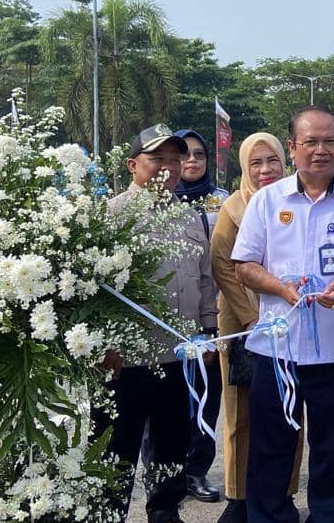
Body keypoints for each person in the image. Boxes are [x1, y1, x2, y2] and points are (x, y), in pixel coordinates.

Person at [231, 107, 334, 522]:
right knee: (271, 446)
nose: (321, 151)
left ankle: (326, 516)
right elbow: (244, 266)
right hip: (276, 349)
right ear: (293, 148)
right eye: (311, 142)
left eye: (330, 142)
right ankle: (269, 517)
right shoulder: (268, 200)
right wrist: (279, 289)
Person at [95, 123, 218, 523]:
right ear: (133, 165)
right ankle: (107, 514)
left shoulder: (190, 217)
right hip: (125, 361)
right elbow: (94, 291)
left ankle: (165, 512)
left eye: (174, 158)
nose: (168, 166)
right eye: (156, 158)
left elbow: (204, 278)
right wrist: (104, 345)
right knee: (117, 451)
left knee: (171, 447)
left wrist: (208, 332)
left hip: (178, 356)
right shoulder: (110, 216)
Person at [209, 132, 304, 523]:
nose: (266, 170)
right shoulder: (233, 209)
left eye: (273, 161)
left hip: (289, 321)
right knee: (241, 412)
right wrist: (251, 319)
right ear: (244, 168)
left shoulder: (296, 203)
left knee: (288, 407)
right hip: (242, 322)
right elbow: (224, 267)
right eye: (256, 163)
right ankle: (239, 495)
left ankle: (284, 491)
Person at [169, 128, 229, 504]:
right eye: (184, 154)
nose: (192, 161)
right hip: (167, 317)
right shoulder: (160, 200)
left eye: (199, 155)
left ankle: (197, 471)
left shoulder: (222, 200)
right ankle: (167, 474)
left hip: (214, 314)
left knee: (207, 396)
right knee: (168, 400)